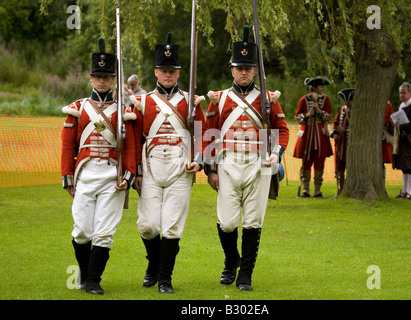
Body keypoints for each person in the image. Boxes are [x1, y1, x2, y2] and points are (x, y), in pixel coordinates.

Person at [204, 26, 289, 291]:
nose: (243, 72)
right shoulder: (219, 99)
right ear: (232, 69)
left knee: (253, 221)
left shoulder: (267, 99)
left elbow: (282, 131)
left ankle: (245, 276)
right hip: (228, 165)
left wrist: (275, 154)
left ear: (255, 71)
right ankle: (231, 261)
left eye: (248, 68)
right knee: (228, 223)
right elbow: (207, 134)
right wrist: (210, 170)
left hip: (259, 165)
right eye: (239, 67)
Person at [131, 32, 206, 294]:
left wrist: (199, 161)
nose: (168, 75)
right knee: (148, 225)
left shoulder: (190, 100)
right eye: (163, 70)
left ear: (178, 73)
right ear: (155, 72)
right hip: (150, 166)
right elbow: (134, 138)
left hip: (179, 168)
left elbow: (204, 135)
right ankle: (153, 264)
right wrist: (136, 172)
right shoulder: (141, 102)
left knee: (172, 226)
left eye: (172, 71)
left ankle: (165, 278)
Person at [61, 38, 136, 295]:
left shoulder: (123, 111)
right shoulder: (78, 108)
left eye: (106, 76)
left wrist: (129, 175)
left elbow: (131, 147)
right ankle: (85, 272)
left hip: (111, 176)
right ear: (91, 78)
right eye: (97, 76)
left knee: (104, 232)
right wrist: (67, 176)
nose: (102, 81)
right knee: (82, 230)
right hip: (85, 174)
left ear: (113, 79)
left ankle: (94, 279)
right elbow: (67, 147)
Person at [293, 77, 333, 198]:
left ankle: (317, 190)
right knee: (306, 162)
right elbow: (297, 117)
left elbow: (329, 116)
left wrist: (319, 111)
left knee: (320, 162)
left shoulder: (326, 99)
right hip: (307, 135)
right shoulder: (303, 100)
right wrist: (307, 114)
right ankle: (306, 190)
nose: (323, 88)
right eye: (321, 86)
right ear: (315, 87)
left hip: (320, 135)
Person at [331, 88, 354, 196]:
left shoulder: (358, 111)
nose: (347, 104)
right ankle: (340, 190)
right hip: (340, 144)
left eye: (349, 101)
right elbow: (335, 123)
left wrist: (344, 130)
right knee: (339, 168)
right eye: (345, 101)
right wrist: (335, 133)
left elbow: (358, 128)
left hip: (351, 144)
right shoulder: (342, 110)